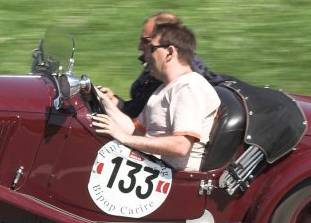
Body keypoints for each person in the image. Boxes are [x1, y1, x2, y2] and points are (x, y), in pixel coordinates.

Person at [92, 22, 221, 172]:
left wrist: (123, 137)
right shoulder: (164, 87)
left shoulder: (189, 87)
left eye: (152, 49)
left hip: (174, 181)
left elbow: (181, 146)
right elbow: (137, 132)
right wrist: (102, 100)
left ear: (170, 53)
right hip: (154, 169)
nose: (146, 56)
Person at [110, 12, 234, 118]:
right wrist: (115, 102)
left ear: (166, 40)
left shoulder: (182, 81)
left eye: (145, 41)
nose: (139, 47)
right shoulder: (156, 68)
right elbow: (140, 110)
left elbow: (180, 143)